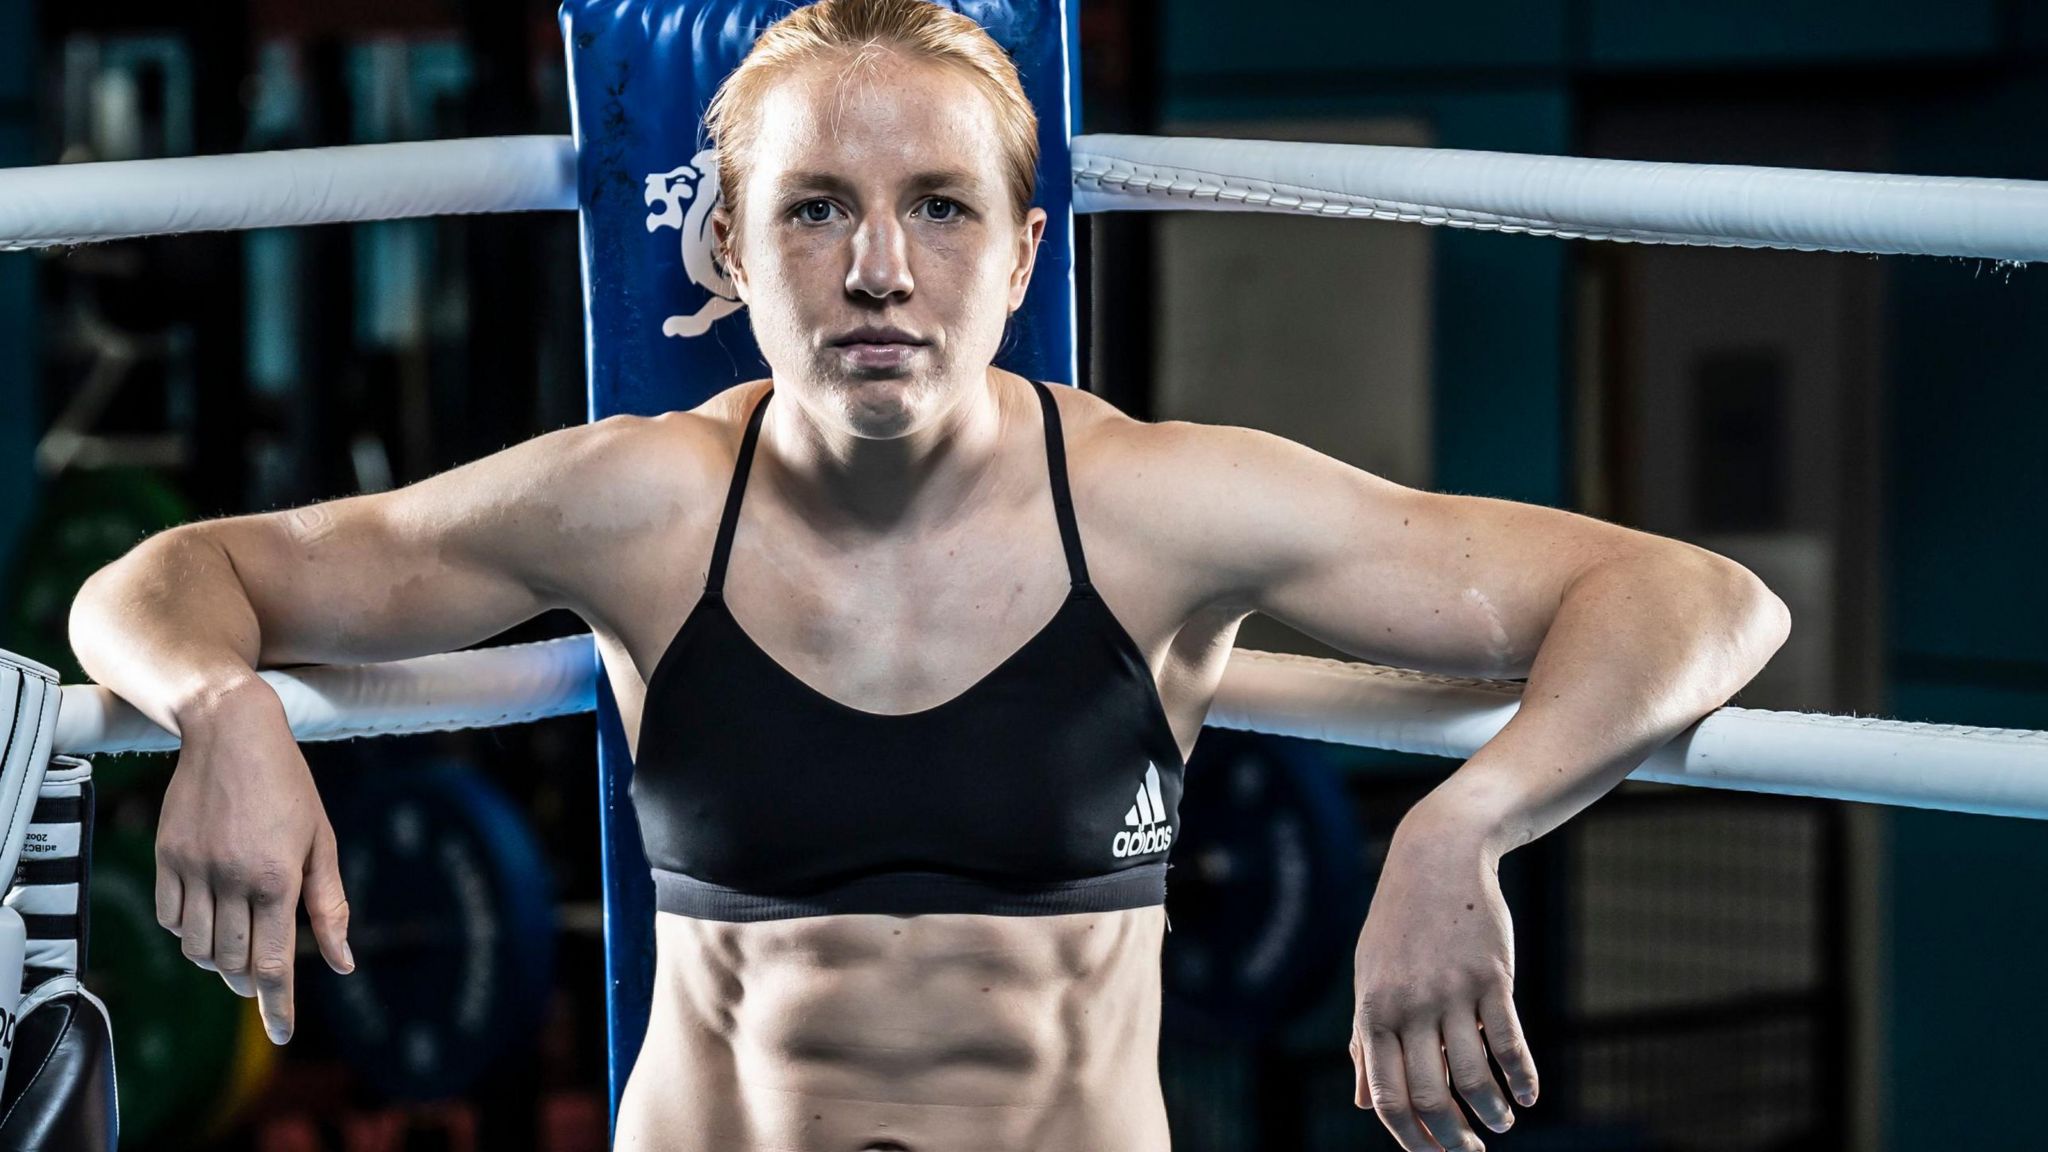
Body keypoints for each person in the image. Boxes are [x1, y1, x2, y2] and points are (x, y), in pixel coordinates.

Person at [65, 1, 1790, 1148]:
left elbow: (1701, 600)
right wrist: (223, 705)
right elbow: (172, 574)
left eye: (941, 209)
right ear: (731, 251)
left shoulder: (1159, 508)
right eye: (816, 208)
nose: (880, 269)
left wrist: (1458, 825)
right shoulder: (638, 508)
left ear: (1026, 250)